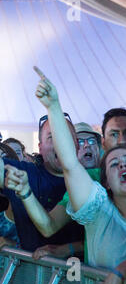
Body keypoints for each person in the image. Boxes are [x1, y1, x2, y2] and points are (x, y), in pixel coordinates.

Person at [32, 68, 126, 284]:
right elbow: (70, 163)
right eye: (114, 163)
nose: (122, 163)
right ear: (105, 181)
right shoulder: (98, 209)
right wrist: (54, 107)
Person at [0, 107, 84, 253]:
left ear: (77, 144)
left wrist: (70, 249)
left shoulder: (90, 180)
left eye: (66, 136)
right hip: (28, 273)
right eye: (52, 137)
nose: (60, 143)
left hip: (77, 273)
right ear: (40, 148)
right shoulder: (25, 172)